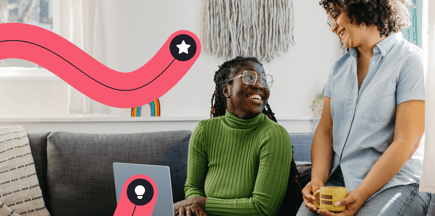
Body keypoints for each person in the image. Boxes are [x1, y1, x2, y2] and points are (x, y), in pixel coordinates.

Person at [296, 0, 430, 215]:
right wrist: (317, 181)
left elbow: (407, 141)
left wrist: (363, 192)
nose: (332, 26)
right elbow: (325, 132)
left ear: (363, 7)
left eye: (337, 13)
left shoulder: (411, 60)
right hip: (341, 179)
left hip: (397, 183)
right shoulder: (339, 69)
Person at [173, 56, 303, 216]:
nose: (259, 85)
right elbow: (193, 187)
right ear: (226, 89)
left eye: (263, 80)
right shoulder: (204, 130)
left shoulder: (274, 134)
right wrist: (194, 209)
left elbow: (262, 208)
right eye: (250, 77)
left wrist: (199, 203)